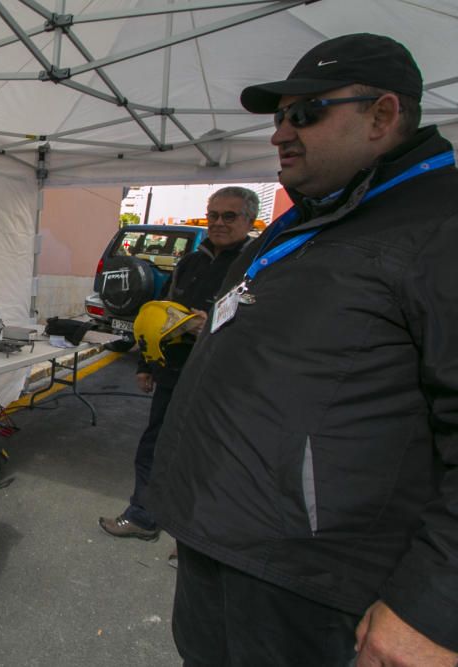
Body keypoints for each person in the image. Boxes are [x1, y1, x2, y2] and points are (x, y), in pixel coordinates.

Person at [147, 33, 458, 665]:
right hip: (220, 544)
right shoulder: (319, 216)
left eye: (307, 112)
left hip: (309, 582)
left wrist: (434, 606)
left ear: (383, 115)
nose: (281, 133)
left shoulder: (437, 227)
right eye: (279, 115)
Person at [99, 187, 257, 542]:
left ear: (249, 220)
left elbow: (266, 323)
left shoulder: (256, 264)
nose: (218, 223)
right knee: (155, 447)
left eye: (228, 216)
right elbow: (157, 315)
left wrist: (212, 325)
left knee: (210, 454)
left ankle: (196, 534)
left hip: (222, 378)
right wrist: (146, 364)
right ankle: (143, 515)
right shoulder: (191, 261)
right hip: (174, 372)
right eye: (212, 214)